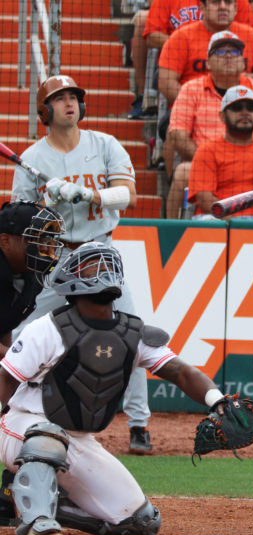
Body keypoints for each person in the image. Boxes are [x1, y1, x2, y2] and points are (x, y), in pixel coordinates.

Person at [0, 242, 234, 535]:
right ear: (70, 279)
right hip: (23, 426)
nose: (103, 271)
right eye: (92, 266)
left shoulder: (134, 333)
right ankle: (37, 524)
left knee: (141, 523)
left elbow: (182, 373)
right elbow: (5, 379)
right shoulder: (46, 329)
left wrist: (217, 401)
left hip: (79, 440)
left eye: (108, 265)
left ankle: (43, 500)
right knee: (47, 436)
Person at [12, 75, 156, 457]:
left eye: (73, 97)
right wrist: (50, 208)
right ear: (45, 110)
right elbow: (17, 217)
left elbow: (129, 194)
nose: (69, 103)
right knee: (23, 332)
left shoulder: (104, 144)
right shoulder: (32, 159)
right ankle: (8, 411)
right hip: (54, 257)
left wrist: (89, 194)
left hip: (100, 255)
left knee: (132, 332)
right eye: (59, 99)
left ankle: (139, 424)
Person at [164, 30, 253, 220]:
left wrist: (247, 158)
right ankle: (172, 235)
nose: (228, 55)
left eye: (235, 52)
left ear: (243, 62)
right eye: (220, 52)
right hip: (205, 160)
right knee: (181, 173)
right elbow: (178, 134)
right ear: (208, 63)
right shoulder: (191, 89)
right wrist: (212, 161)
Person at [132, 0, 253, 118]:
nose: (222, 6)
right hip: (181, 68)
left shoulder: (237, 3)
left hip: (233, 85)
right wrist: (187, 44)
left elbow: (249, 40)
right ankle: (144, 96)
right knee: (164, 77)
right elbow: (151, 36)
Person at [188, 86, 253, 217]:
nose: (245, 112)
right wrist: (234, 224)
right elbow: (204, 198)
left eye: (251, 108)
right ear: (222, 116)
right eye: (237, 108)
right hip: (220, 220)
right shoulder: (207, 150)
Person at [158, 0, 253, 107]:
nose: (222, 6)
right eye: (215, 2)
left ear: (235, 8)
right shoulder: (181, 37)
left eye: (228, 2)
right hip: (192, 113)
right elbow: (166, 82)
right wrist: (195, 106)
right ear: (202, 8)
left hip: (240, 112)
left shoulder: (249, 35)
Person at [0, 202, 65, 354]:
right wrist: (14, 360)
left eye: (47, 239)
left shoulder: (33, 276)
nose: (44, 247)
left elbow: (4, 326)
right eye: (34, 239)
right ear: (4, 241)